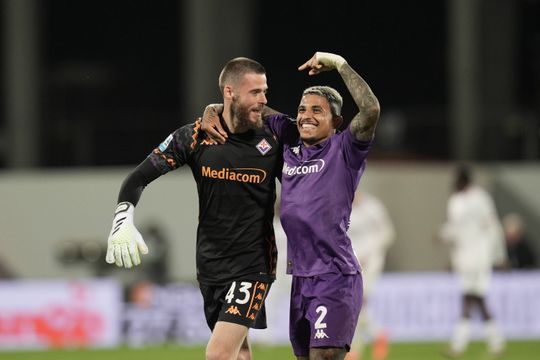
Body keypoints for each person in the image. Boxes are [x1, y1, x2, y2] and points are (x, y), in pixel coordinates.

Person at [203, 52, 381, 360]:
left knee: (323, 357)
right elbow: (249, 106)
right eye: (301, 109)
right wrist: (213, 108)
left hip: (335, 275)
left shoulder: (345, 150)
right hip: (301, 278)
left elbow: (371, 109)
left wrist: (339, 64)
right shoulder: (289, 142)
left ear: (336, 121)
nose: (306, 115)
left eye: (317, 110)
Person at [106, 57, 282, 360]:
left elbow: (314, 140)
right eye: (255, 92)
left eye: (265, 91)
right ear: (230, 92)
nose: (263, 100)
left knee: (218, 354)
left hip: (253, 266)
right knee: (239, 353)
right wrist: (122, 219)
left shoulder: (275, 136)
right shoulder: (195, 136)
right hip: (211, 265)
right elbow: (138, 177)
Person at [438, 166, 506, 358]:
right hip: (464, 258)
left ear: (463, 180)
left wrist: (499, 255)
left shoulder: (481, 198)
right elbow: (454, 230)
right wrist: (442, 235)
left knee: (470, 297)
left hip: (481, 257)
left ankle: (458, 345)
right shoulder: (455, 201)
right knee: (477, 298)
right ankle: (496, 342)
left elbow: (492, 225)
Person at [346, 192, 395, 360]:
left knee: (358, 301)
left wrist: (372, 253)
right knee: (354, 305)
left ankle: (355, 349)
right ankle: (377, 334)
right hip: (352, 262)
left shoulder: (373, 207)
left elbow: (388, 233)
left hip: (372, 262)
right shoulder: (345, 208)